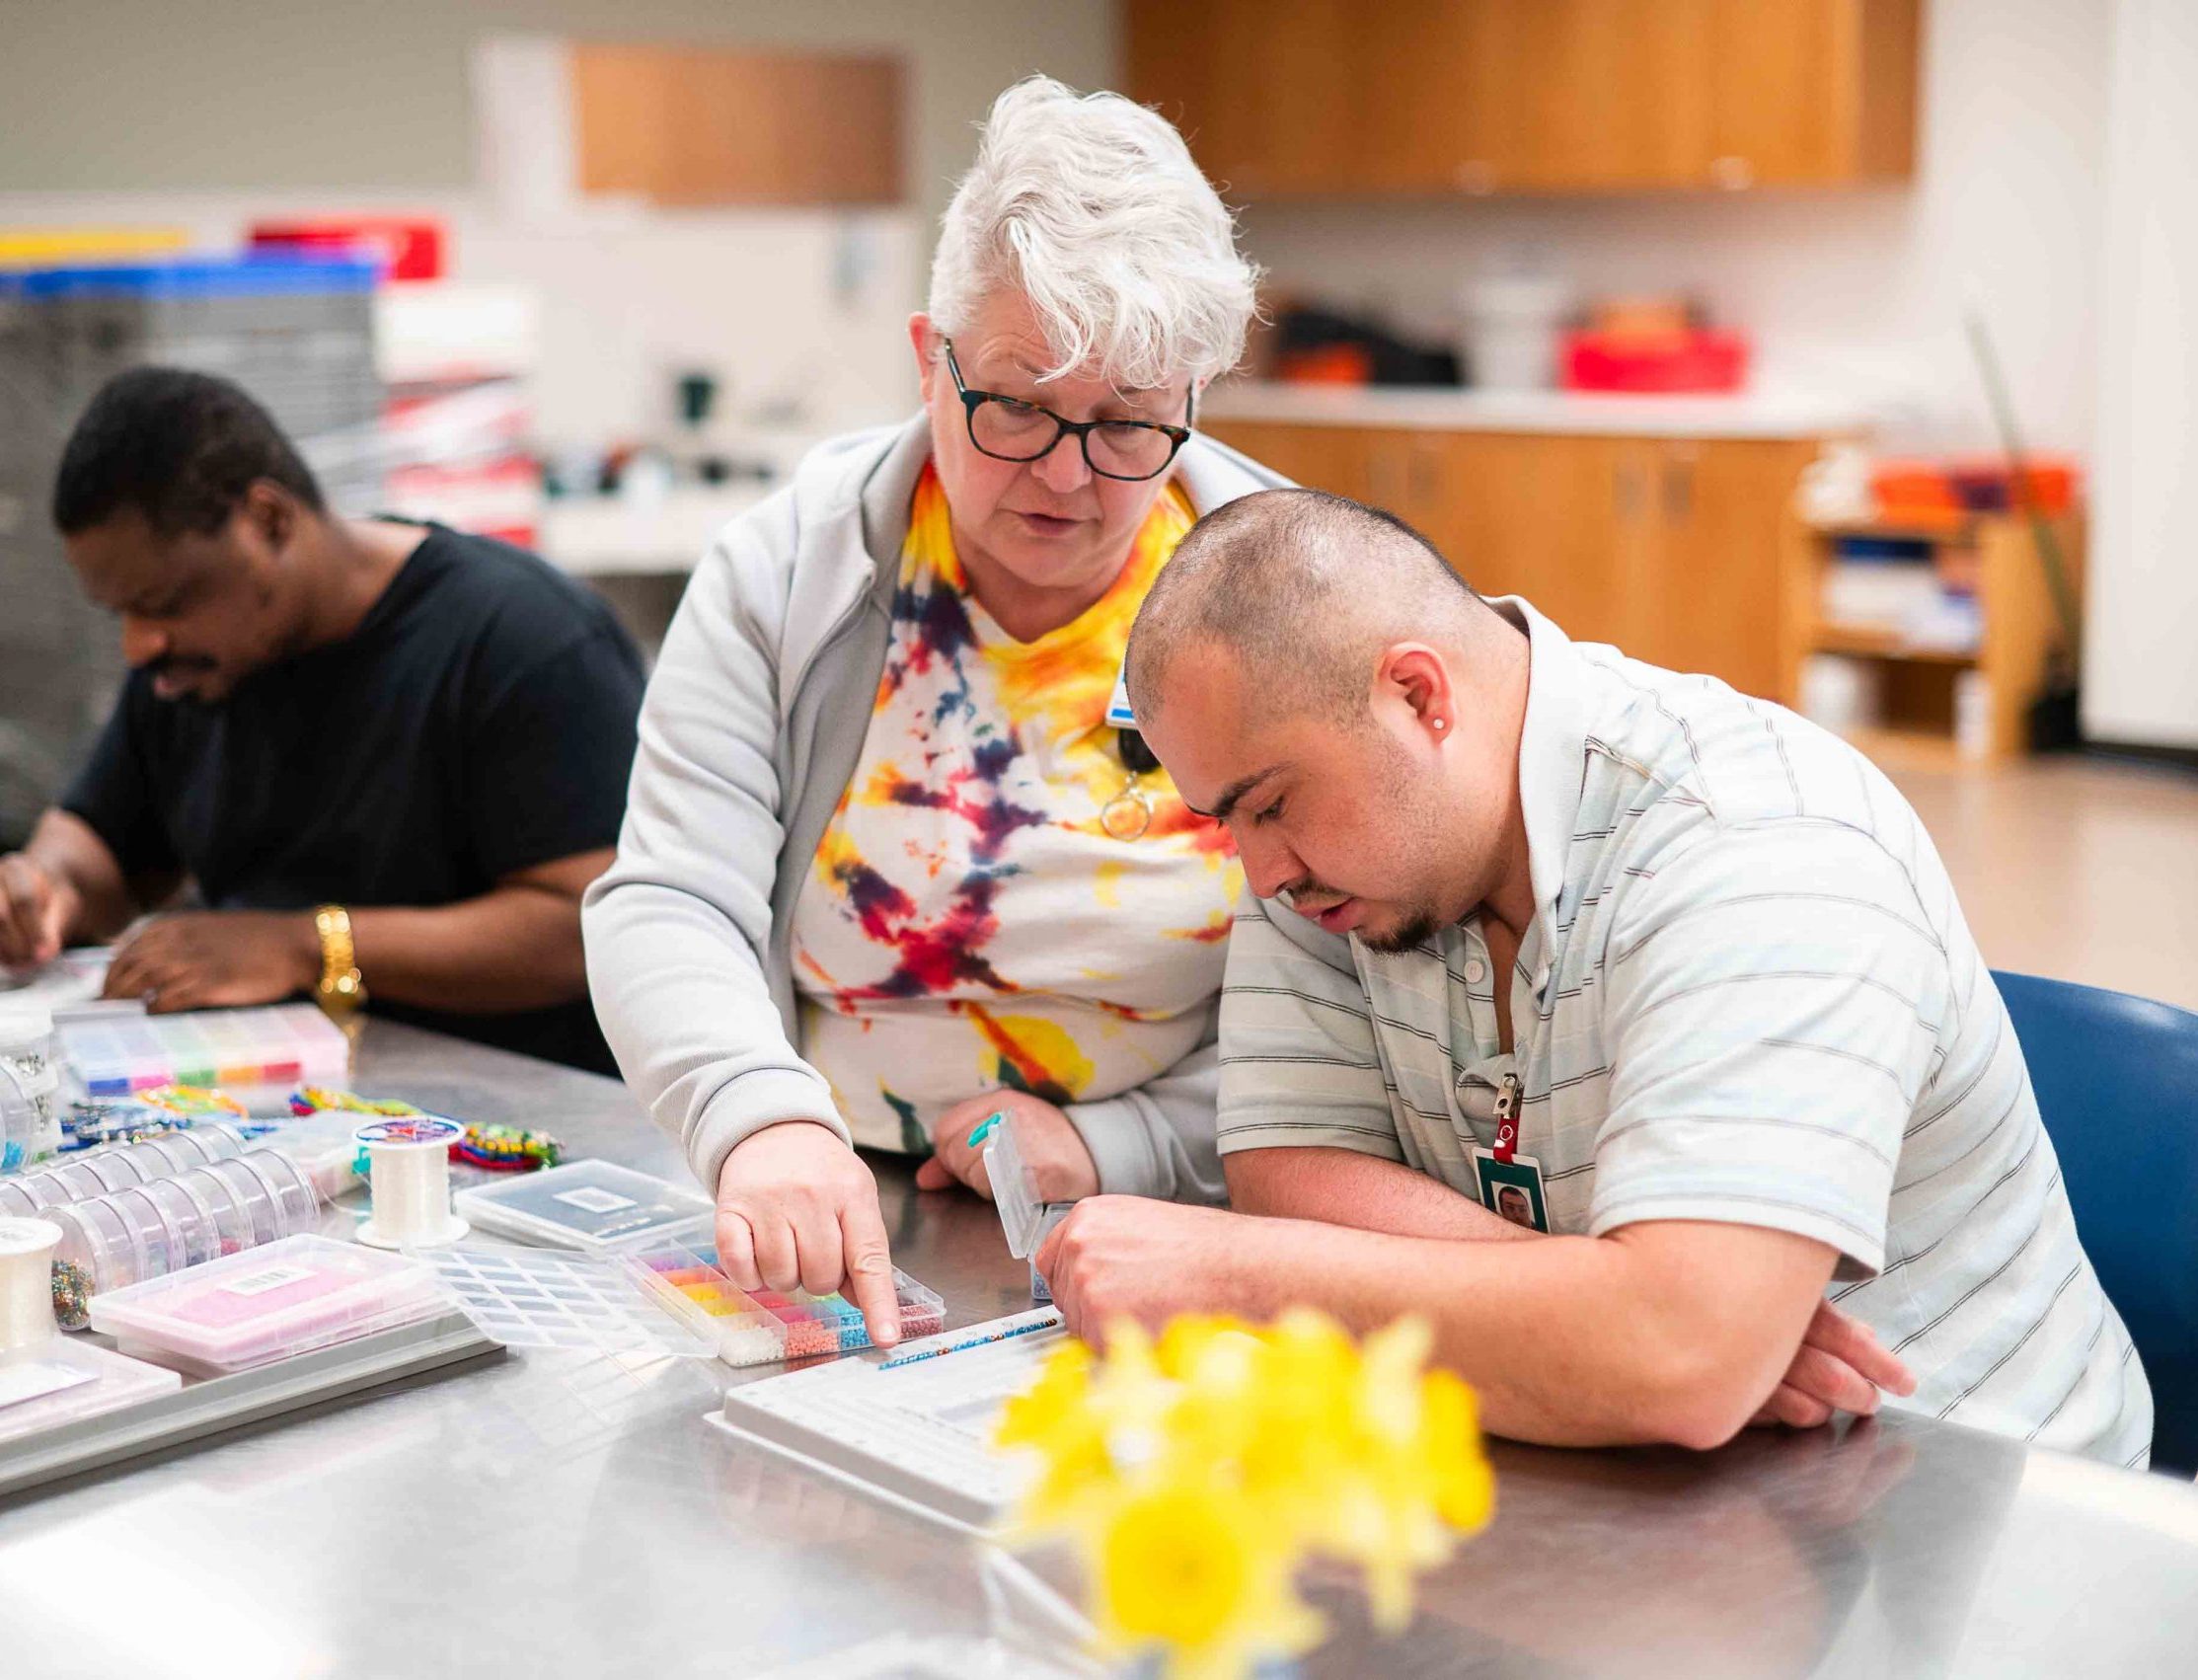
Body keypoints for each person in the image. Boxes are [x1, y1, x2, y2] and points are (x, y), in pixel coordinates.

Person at [1036, 487, 2152, 1465]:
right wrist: (1600, 1312)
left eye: (1269, 804)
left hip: (1971, 1514)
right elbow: (1295, 1173)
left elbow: (1676, 1361)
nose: (1260, 868)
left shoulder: (1759, 840)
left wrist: (1239, 1275)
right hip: (1649, 1476)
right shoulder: (1332, 855)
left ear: (1420, 698)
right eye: (1227, 816)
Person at [583, 77, 1275, 1345]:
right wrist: (758, 1115)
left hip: (1166, 1224)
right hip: (815, 1206)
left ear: (1189, 409)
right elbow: (672, 897)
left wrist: (1121, 1141)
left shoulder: (1283, 602)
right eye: (1016, 405)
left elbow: (1364, 986)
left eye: (1128, 423)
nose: (1067, 476)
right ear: (926, 360)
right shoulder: (788, 573)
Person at [0, 367, 644, 1073]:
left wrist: (303, 945)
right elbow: (105, 846)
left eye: (164, 601)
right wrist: (44, 886)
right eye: (120, 613)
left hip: (511, 1122)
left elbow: (585, 926)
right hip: (276, 1099)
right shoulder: (192, 663)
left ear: (269, 521)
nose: (139, 644)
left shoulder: (522, 640)